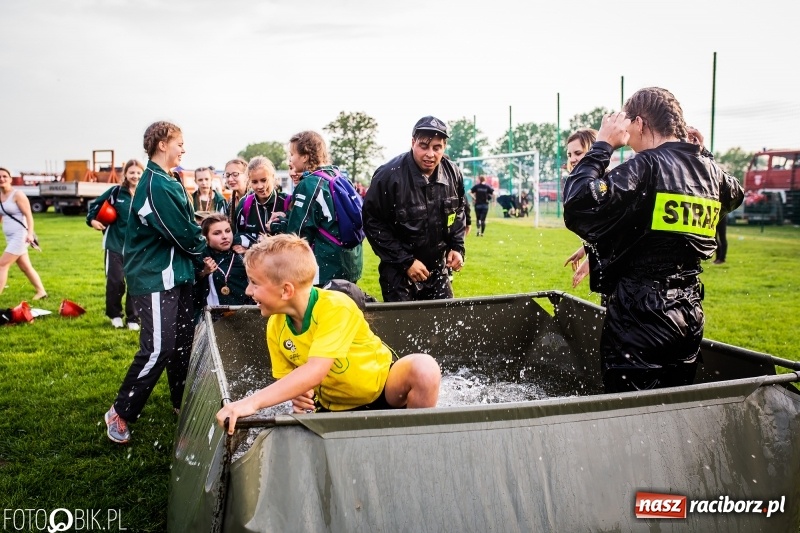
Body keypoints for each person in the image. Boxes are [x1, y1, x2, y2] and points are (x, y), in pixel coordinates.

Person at [563, 87, 744, 394]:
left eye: (627, 122)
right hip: (689, 312)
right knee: (674, 408)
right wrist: (703, 155)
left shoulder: (645, 165)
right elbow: (734, 194)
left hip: (640, 314)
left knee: (629, 414)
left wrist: (603, 145)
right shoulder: (710, 171)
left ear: (641, 124)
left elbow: (580, 202)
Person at [215, 234, 441, 433]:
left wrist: (251, 403)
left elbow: (315, 372)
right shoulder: (276, 326)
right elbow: (288, 381)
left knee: (424, 368)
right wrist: (298, 396)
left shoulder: (334, 306)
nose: (247, 291)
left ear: (286, 290)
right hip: (332, 408)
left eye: (254, 283)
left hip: (382, 388)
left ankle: (416, 441)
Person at [104, 121, 207, 444]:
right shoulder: (155, 184)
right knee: (158, 349)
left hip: (176, 276)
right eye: (180, 143)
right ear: (162, 143)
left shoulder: (168, 179)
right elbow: (183, 232)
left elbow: (187, 226)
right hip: (154, 279)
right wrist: (204, 250)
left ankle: (180, 403)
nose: (183, 149)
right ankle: (120, 412)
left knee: (181, 345)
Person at [363, 116, 466, 302]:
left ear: (444, 147)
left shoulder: (453, 173)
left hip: (437, 269)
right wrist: (406, 262)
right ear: (413, 143)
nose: (430, 154)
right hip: (398, 272)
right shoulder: (388, 176)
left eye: (437, 148)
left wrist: (457, 247)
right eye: (424, 146)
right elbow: (373, 224)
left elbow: (458, 211)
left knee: (446, 326)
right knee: (404, 329)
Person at [278, 131, 363, 286]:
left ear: (305, 156)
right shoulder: (339, 176)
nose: (290, 159)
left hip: (327, 267)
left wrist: (279, 224)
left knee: (323, 308)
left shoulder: (309, 184)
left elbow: (297, 233)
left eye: (292, 154)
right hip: (351, 262)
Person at [86, 159, 143, 330]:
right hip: (115, 244)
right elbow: (94, 207)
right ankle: (115, 315)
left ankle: (133, 318)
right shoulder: (116, 192)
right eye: (132, 172)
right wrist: (92, 221)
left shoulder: (146, 193)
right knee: (116, 281)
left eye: (139, 172)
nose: (135, 176)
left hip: (138, 247)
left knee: (135, 282)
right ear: (125, 174)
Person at [0, 167, 47, 300]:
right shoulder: (0, 196)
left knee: (2, 265)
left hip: (20, 236)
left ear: (10, 179)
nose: (2, 179)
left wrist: (30, 234)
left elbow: (29, 215)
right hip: (9, 237)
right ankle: (41, 292)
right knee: (25, 267)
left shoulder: (17, 194)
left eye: (4, 176)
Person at [194, 213, 253, 320]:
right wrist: (203, 273)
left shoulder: (241, 256)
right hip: (213, 318)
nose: (225, 236)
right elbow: (193, 296)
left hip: (244, 316)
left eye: (227, 231)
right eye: (217, 233)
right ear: (206, 238)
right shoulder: (199, 258)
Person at [562, 128, 598, 288]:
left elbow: (617, 235)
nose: (573, 159)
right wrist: (584, 249)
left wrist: (589, 263)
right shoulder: (582, 183)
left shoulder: (603, 183)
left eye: (578, 153)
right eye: (570, 155)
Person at [231, 156, 287, 254]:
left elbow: (295, 236)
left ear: (273, 177)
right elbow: (235, 236)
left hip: (280, 263)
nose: (260, 186)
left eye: (264, 180)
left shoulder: (287, 201)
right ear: (249, 182)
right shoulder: (245, 204)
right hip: (254, 262)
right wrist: (254, 244)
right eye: (255, 182)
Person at [224, 158, 250, 222]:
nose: (230, 179)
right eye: (227, 175)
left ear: (247, 176)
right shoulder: (231, 202)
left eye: (235, 174)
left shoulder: (255, 199)